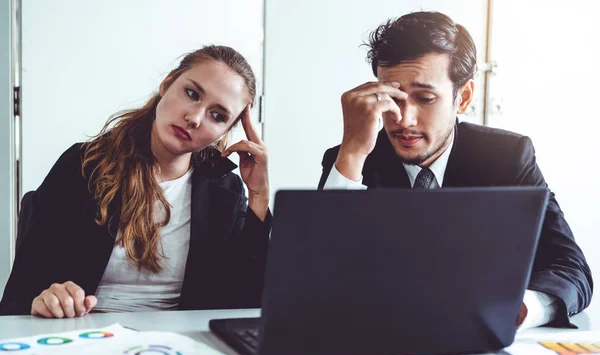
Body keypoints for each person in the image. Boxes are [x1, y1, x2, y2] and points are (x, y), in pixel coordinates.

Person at [318, 11, 592, 329]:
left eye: (425, 98)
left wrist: (518, 308)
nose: (403, 119)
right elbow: (313, 278)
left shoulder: (507, 157)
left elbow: (570, 268)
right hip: (375, 346)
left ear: (462, 98)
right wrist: (352, 154)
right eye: (390, 98)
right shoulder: (352, 159)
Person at [0, 45, 271, 317]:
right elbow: (21, 292)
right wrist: (44, 300)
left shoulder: (225, 191)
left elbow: (242, 304)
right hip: (85, 335)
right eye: (192, 94)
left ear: (225, 131)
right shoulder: (84, 165)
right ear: (167, 84)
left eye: (218, 116)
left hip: (180, 345)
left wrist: (258, 195)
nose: (194, 118)